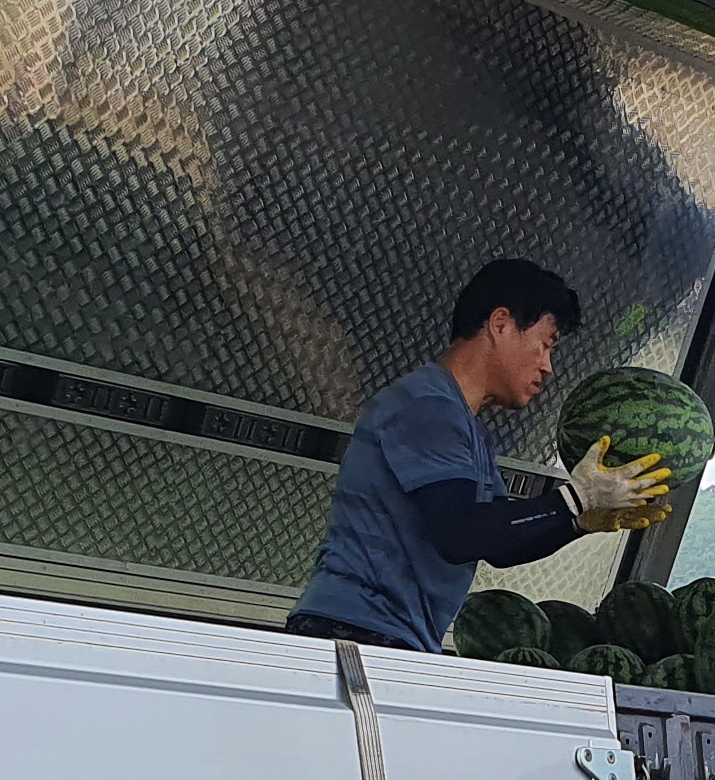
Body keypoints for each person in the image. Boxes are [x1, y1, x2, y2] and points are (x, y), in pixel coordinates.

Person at [284, 260, 671, 652]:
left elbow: (499, 543)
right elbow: (461, 533)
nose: (548, 366)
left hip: (383, 637)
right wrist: (576, 498)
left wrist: (578, 521)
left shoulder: (466, 429)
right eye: (546, 344)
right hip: (351, 633)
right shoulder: (425, 405)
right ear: (500, 324)